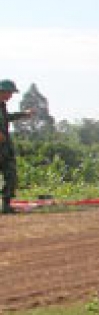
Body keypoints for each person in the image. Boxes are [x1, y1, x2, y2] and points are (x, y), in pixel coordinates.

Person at [0, 80, 31, 215]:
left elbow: (7, 118)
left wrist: (23, 114)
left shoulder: (2, 106)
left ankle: (6, 205)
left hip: (5, 147)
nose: (10, 96)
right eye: (9, 92)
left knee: (10, 174)